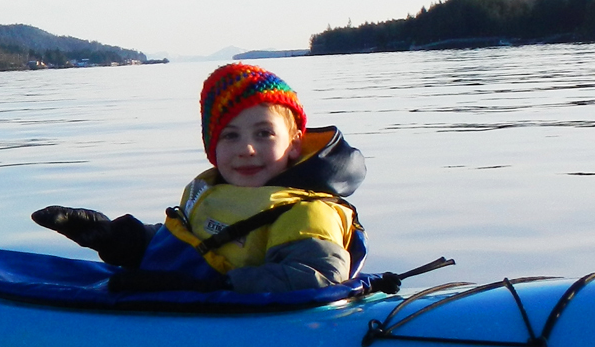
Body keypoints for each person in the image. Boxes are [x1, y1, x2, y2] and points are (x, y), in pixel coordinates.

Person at [34, 63, 366, 293]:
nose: (247, 149)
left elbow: (318, 277)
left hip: (247, 330)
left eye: (264, 133)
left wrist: (208, 290)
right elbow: (196, 248)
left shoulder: (307, 212)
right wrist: (116, 239)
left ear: (294, 143)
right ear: (212, 147)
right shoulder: (213, 192)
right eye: (230, 136)